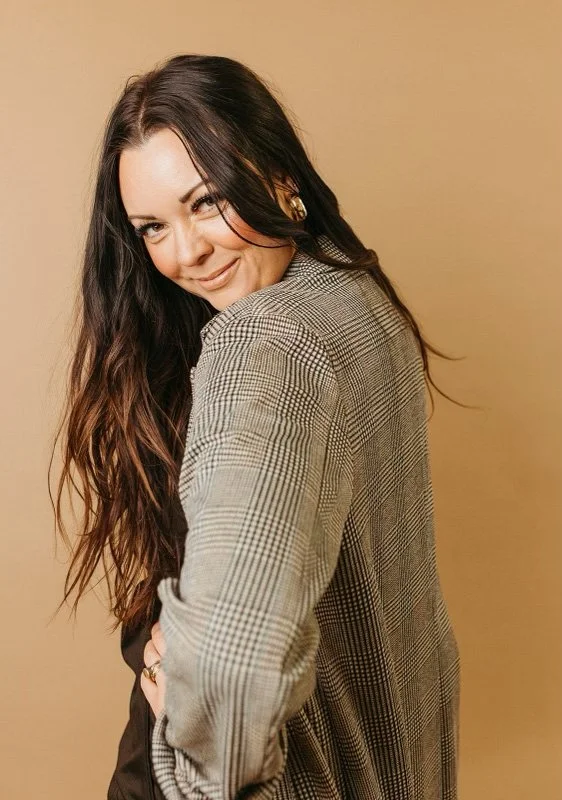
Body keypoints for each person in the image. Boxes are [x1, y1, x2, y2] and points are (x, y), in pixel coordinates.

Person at [53, 54, 461, 800]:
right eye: (153, 227)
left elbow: (234, 665)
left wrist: (197, 765)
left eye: (207, 202)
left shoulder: (264, 345)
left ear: (280, 179)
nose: (187, 251)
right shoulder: (355, 294)